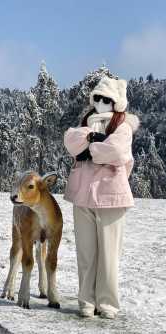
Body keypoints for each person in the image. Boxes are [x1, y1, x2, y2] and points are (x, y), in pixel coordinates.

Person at [63, 76, 140, 319]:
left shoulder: (123, 125)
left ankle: (107, 303)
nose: (100, 102)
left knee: (109, 255)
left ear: (117, 102)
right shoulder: (87, 121)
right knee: (86, 254)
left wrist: (91, 148)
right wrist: (92, 141)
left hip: (111, 197)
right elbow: (70, 141)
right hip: (83, 195)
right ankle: (86, 301)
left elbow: (116, 151)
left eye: (107, 99)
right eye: (97, 97)